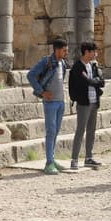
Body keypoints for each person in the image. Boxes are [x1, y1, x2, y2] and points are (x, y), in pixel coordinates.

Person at [27, 37, 70, 175]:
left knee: (55, 131)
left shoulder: (63, 63)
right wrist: (42, 92)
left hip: (60, 102)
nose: (66, 53)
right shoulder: (46, 61)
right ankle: (49, 163)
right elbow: (31, 75)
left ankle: (52, 159)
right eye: (64, 50)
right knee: (50, 132)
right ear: (57, 50)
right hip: (50, 103)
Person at [68, 41, 106, 170]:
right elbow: (85, 82)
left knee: (91, 130)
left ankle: (88, 157)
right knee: (80, 130)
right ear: (87, 52)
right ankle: (74, 159)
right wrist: (94, 82)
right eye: (93, 51)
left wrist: (93, 82)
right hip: (83, 103)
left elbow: (101, 82)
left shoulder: (93, 66)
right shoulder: (78, 67)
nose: (95, 54)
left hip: (94, 101)